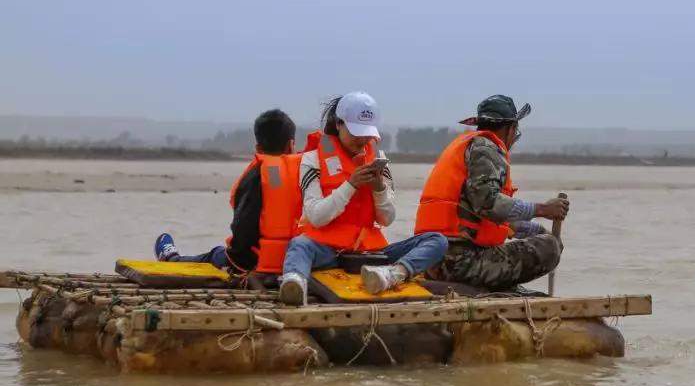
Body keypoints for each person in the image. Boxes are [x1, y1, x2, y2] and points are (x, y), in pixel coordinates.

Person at [278, 91, 448, 305]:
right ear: (338, 124)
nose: (362, 140)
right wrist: (351, 185)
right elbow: (316, 217)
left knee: (437, 240)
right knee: (300, 245)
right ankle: (295, 283)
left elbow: (387, 219)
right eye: (355, 132)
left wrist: (379, 188)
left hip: (369, 253)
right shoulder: (312, 160)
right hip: (327, 251)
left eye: (366, 134)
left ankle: (391, 275)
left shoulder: (378, 160)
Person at [414, 95, 569, 290]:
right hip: (458, 263)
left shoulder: (470, 145)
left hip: (434, 258)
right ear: (510, 128)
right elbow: (487, 203)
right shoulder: (486, 148)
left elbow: (482, 216)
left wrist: (533, 230)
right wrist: (542, 209)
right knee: (550, 248)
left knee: (542, 238)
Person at [154, 109, 302, 274]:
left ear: (258, 148)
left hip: (249, 263)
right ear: (291, 145)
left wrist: (236, 256)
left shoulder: (254, 177)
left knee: (214, 255)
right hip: (298, 260)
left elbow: (242, 229)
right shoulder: (306, 173)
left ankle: (171, 258)